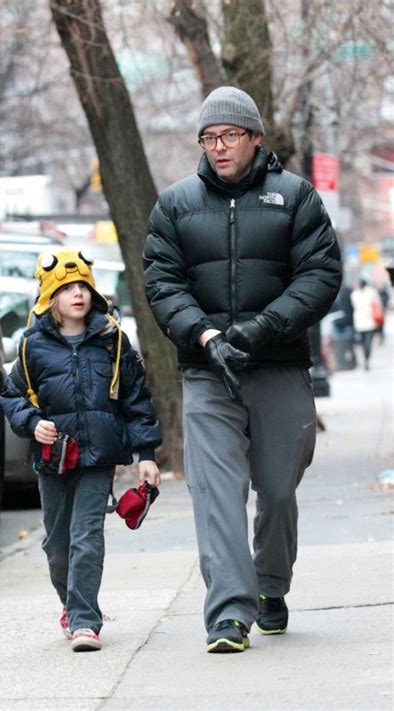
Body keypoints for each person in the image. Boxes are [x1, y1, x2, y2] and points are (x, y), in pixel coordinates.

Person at [143, 86, 341, 653]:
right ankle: (229, 613)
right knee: (216, 493)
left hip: (277, 363)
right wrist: (205, 336)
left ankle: (271, 586)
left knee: (278, 490)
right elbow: (162, 281)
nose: (219, 147)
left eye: (230, 135)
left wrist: (263, 328)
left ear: (256, 138)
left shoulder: (296, 197)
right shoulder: (176, 204)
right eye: (209, 138)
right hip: (208, 372)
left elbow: (320, 275)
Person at [1, 248, 161, 652]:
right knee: (57, 544)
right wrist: (33, 423)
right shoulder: (31, 345)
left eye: (83, 286)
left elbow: (137, 400)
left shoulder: (113, 342)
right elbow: (12, 396)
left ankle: (86, 622)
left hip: (99, 455)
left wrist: (146, 455)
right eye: (67, 288)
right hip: (53, 457)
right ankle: (71, 606)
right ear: (50, 297)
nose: (77, 294)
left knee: (86, 535)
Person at [350, 278, 383, 369]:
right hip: (359, 322)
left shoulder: (371, 292)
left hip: (370, 322)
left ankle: (366, 359)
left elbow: (378, 304)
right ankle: (365, 358)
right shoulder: (354, 294)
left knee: (368, 343)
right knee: (362, 343)